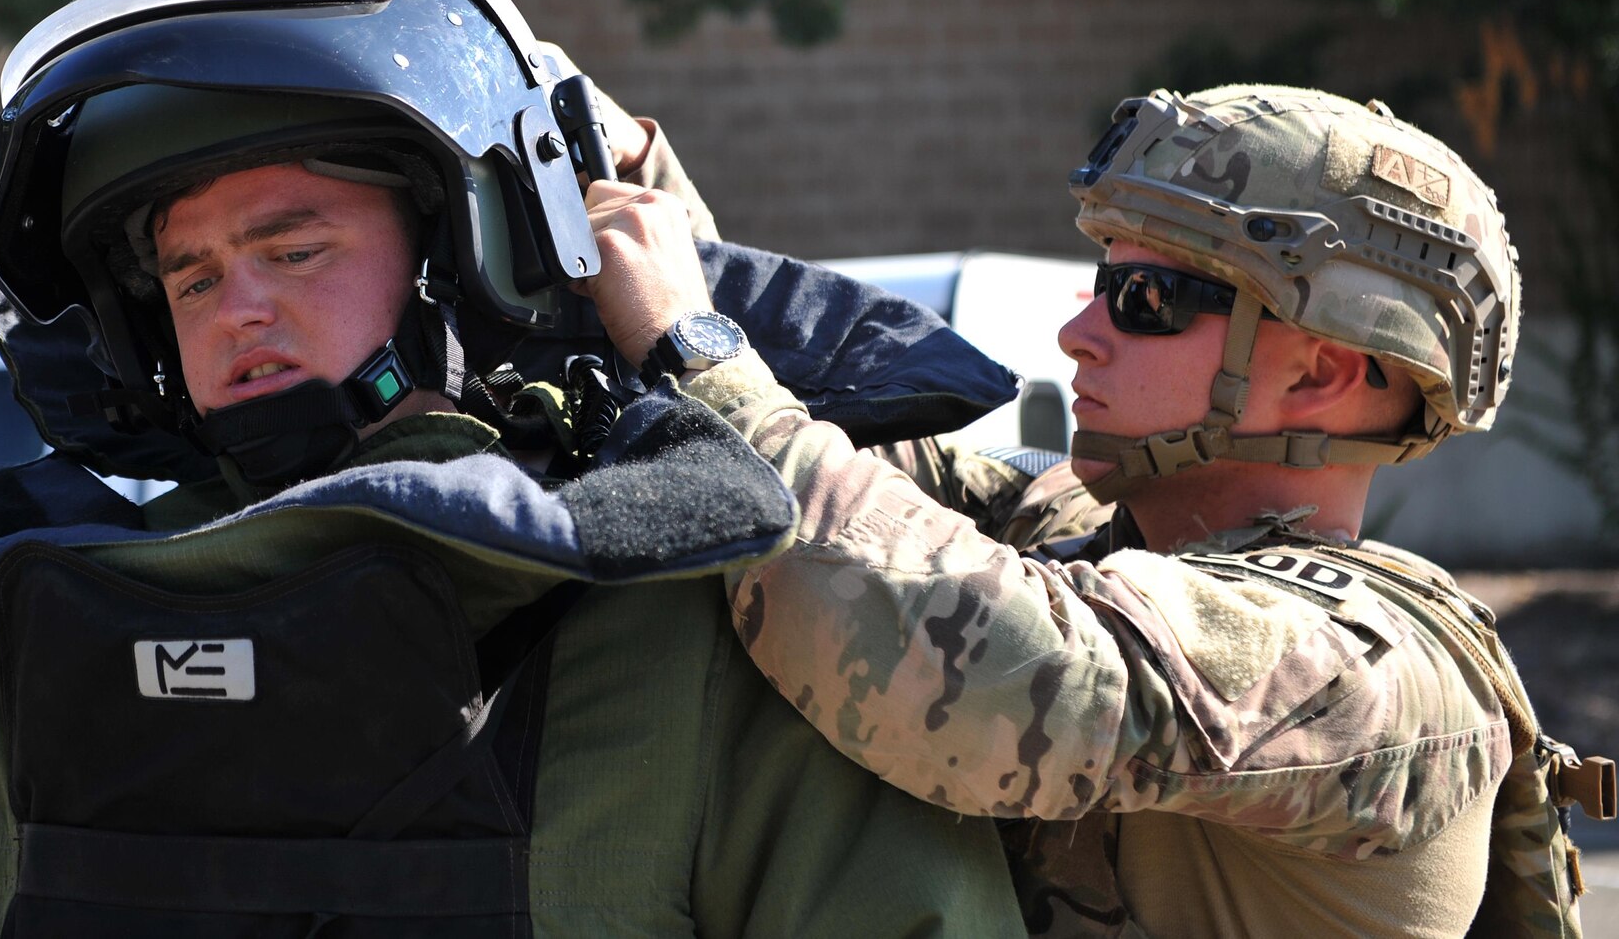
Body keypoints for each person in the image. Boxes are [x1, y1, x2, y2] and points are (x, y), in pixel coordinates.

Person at [0, 0, 1024, 938]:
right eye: (189, 274)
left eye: (295, 246)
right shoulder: (16, 657)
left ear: (466, 254)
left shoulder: (698, 633)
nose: (236, 307)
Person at [582, 83, 1612, 938]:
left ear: (1319, 374)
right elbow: (843, 479)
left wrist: (692, 348)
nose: (1078, 330)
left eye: (1145, 302)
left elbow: (982, 667)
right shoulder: (1109, 540)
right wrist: (637, 184)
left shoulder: (1364, 667)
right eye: (1098, 279)